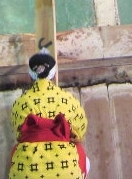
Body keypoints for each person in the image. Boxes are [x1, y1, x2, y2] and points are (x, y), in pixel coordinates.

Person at [9, 50, 90, 178]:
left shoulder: (20, 103)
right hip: (66, 170)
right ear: (54, 75)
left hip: (27, 171)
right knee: (78, 148)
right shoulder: (69, 99)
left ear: (30, 76)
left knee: (16, 150)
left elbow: (19, 135)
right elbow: (80, 132)